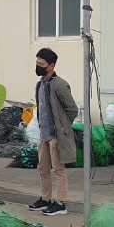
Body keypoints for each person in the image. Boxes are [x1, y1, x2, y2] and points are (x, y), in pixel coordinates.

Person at [30, 48, 79, 216]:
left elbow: (72, 110)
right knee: (43, 169)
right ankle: (45, 199)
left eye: (41, 64)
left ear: (51, 66)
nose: (38, 66)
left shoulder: (60, 84)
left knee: (59, 170)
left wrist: (63, 127)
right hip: (43, 135)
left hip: (56, 136)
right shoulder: (40, 84)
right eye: (37, 63)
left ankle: (60, 203)